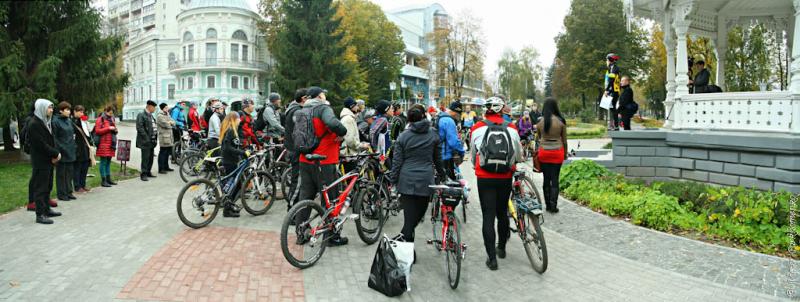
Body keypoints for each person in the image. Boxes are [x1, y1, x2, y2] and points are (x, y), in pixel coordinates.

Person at [469, 96, 523, 271]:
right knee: (502, 212)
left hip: (484, 176)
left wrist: (474, 165)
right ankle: (502, 249)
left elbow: (473, 153)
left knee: (487, 215)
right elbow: (518, 154)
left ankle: (491, 259)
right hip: (504, 177)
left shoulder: (476, 128)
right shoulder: (512, 128)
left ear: (486, 110)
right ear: (501, 110)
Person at [296, 86, 348, 246]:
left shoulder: (302, 111)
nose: (325, 96)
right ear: (319, 96)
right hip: (325, 160)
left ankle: (301, 233)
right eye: (323, 93)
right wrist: (342, 132)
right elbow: (333, 123)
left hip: (305, 159)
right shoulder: (322, 108)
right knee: (330, 199)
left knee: (305, 196)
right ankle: (332, 236)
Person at [389, 105, 445, 251]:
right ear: (424, 116)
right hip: (425, 181)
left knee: (409, 218)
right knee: (416, 217)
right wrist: (443, 175)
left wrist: (393, 180)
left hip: (406, 180)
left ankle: (405, 247)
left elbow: (397, 162)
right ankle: (407, 249)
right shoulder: (433, 134)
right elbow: (438, 160)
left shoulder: (403, 136)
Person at [28, 99, 62, 224]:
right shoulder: (34, 124)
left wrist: (54, 154)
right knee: (40, 188)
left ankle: (46, 209)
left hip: (48, 160)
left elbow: (51, 140)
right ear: (41, 108)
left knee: (48, 186)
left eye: (52, 108)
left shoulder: (45, 122)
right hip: (40, 161)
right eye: (49, 108)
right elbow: (41, 144)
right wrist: (55, 153)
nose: (51, 110)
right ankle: (40, 214)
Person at [535, 98, 568, 213]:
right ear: (555, 107)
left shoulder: (540, 120)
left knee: (546, 179)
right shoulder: (561, 120)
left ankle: (547, 205)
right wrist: (565, 154)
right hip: (557, 151)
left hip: (544, 152)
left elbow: (539, 138)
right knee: (555, 179)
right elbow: (564, 140)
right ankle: (554, 206)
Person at [220, 112, 248, 218]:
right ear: (234, 119)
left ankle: (229, 205)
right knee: (235, 186)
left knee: (235, 185)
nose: (240, 120)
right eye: (238, 118)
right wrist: (242, 153)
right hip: (229, 161)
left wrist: (242, 150)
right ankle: (227, 209)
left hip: (230, 160)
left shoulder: (231, 130)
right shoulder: (231, 130)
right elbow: (228, 148)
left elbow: (233, 145)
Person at [283, 88, 307, 211]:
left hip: (292, 148)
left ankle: (295, 208)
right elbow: (299, 133)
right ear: (304, 99)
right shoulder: (297, 112)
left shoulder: (292, 109)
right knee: (297, 181)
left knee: (297, 180)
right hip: (296, 150)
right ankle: (292, 210)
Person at [52, 101, 77, 201]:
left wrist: (73, 146)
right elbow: (55, 138)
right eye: (67, 110)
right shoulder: (55, 121)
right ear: (61, 111)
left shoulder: (69, 121)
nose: (69, 112)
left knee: (69, 173)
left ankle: (69, 191)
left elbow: (72, 134)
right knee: (61, 174)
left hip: (70, 149)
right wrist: (59, 150)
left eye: (69, 109)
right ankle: (62, 194)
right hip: (61, 150)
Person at [436, 100, 465, 180]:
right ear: (456, 112)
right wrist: (462, 152)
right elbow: (453, 142)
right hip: (446, 157)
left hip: (438, 155)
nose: (458, 117)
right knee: (449, 185)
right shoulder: (449, 121)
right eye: (459, 115)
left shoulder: (440, 117)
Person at [340, 97, 370, 172]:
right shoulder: (348, 119)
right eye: (356, 105)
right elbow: (350, 140)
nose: (357, 107)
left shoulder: (348, 118)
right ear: (352, 106)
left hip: (350, 155)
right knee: (352, 180)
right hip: (349, 156)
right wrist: (361, 145)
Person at [94, 105, 118, 187]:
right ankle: (103, 180)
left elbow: (113, 129)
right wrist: (109, 128)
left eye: (112, 112)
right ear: (105, 111)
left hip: (111, 143)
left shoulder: (112, 118)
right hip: (103, 144)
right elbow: (97, 131)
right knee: (103, 162)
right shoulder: (100, 119)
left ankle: (108, 179)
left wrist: (115, 130)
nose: (111, 114)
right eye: (109, 112)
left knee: (108, 162)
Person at [72, 105, 93, 193]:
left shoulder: (83, 121)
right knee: (77, 168)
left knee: (84, 167)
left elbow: (88, 134)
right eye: (80, 112)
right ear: (75, 112)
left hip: (85, 147)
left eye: (82, 112)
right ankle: (77, 186)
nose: (82, 113)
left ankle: (83, 185)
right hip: (77, 148)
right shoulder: (72, 122)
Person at [136, 100, 159, 181]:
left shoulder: (151, 116)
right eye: (154, 107)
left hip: (152, 141)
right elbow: (140, 128)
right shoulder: (141, 115)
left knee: (150, 158)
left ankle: (148, 171)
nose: (154, 109)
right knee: (145, 158)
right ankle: (143, 174)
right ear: (149, 106)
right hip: (145, 141)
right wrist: (146, 138)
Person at [156, 103, 176, 174]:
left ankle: (166, 167)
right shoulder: (160, 116)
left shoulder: (167, 114)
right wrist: (170, 123)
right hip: (163, 137)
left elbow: (174, 122)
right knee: (163, 153)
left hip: (169, 136)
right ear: (163, 108)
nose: (167, 109)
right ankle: (161, 168)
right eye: (166, 108)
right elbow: (166, 124)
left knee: (167, 153)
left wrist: (170, 122)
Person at [604, 53, 621, 131]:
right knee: (611, 108)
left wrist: (607, 90)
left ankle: (616, 126)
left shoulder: (613, 68)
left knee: (613, 108)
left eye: (607, 60)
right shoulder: (612, 67)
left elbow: (611, 81)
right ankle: (613, 126)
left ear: (610, 60)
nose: (606, 61)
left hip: (613, 91)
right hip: (613, 91)